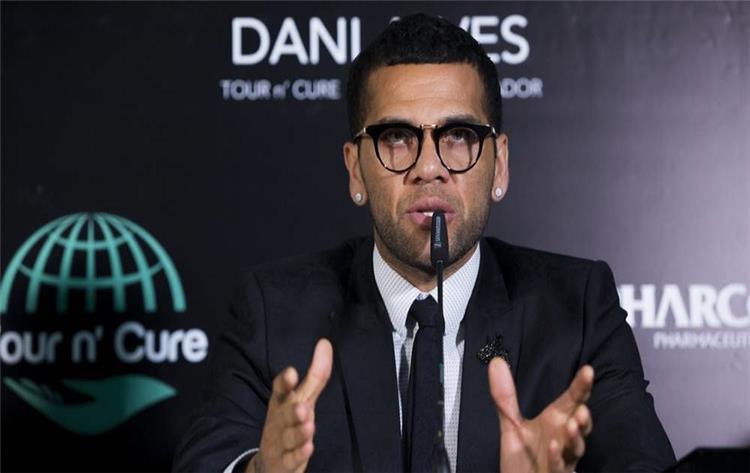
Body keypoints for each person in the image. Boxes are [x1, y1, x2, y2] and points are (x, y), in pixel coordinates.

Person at [174, 13, 675, 473]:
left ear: (499, 165)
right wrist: (260, 471)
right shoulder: (273, 311)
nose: (429, 167)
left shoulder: (578, 309)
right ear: (355, 170)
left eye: (458, 136)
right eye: (397, 138)